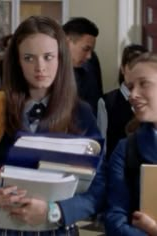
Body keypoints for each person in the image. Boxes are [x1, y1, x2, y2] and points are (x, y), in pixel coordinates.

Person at [0, 16, 102, 235]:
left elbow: (98, 187)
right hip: (1, 229)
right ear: (17, 61)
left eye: (48, 57)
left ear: (61, 58)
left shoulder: (80, 113)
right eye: (29, 58)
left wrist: (53, 211)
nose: (40, 67)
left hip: (56, 228)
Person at [105, 52, 157, 235]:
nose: (132, 95)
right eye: (130, 87)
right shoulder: (126, 149)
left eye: (143, 84)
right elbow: (115, 219)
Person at [97, 44, 147, 159]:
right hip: (116, 165)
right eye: (133, 67)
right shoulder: (107, 101)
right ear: (123, 68)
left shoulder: (151, 99)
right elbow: (102, 143)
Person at [63, 17, 103, 115]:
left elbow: (98, 100)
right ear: (67, 42)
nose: (89, 56)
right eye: (85, 49)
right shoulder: (44, 70)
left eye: (91, 51)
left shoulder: (92, 61)